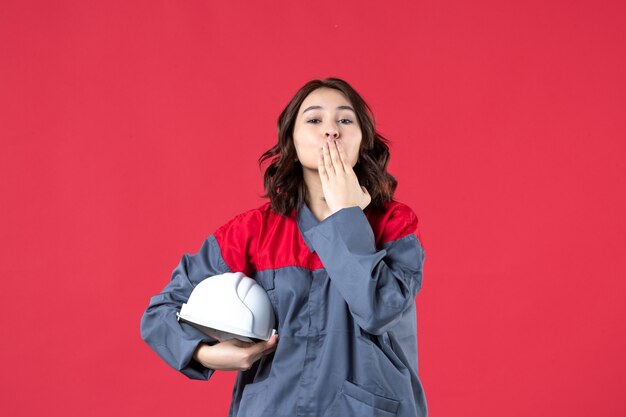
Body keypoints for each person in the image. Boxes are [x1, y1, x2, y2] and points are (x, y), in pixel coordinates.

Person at [140, 77, 428, 417]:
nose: (331, 131)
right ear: (291, 139)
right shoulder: (254, 230)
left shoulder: (395, 223)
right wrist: (204, 353)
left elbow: (378, 309)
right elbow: (160, 313)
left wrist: (348, 216)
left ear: (363, 140)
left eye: (345, 120)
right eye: (314, 119)